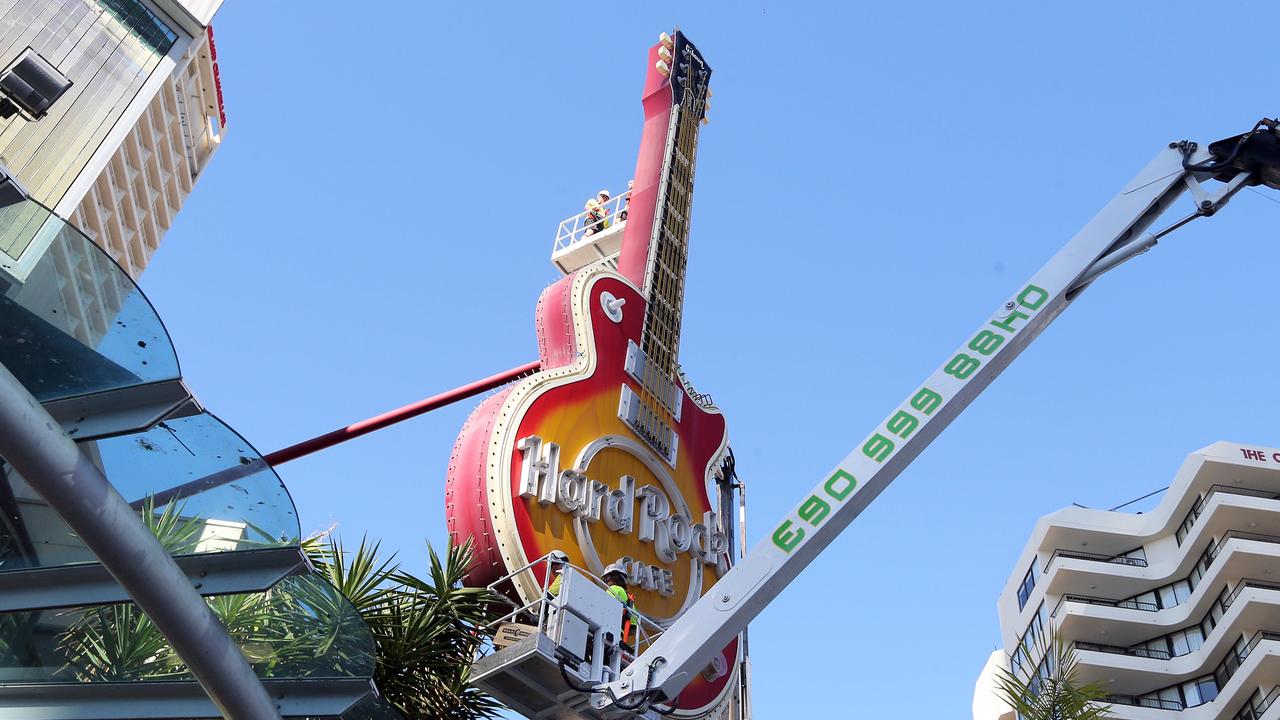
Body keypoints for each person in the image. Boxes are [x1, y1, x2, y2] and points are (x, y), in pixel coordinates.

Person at [602, 562, 639, 651]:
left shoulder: (614, 589)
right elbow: (632, 627)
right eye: (606, 577)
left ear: (618, 577)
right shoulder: (629, 598)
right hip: (619, 636)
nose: (608, 579)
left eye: (610, 576)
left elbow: (605, 608)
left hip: (607, 631)